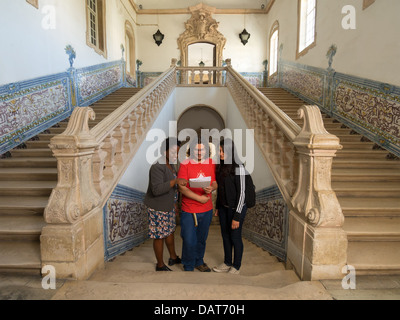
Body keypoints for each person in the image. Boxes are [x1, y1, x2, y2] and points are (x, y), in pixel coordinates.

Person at [177, 137, 218, 272]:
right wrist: (198, 198)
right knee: (189, 239)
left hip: (206, 209)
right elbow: (182, 186)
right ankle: (188, 264)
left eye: (202, 149)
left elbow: (214, 182)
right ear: (191, 149)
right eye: (196, 149)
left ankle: (199, 261)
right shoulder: (185, 164)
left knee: (201, 239)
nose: (199, 152)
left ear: (206, 150)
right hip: (189, 209)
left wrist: (212, 188)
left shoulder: (211, 163)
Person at [144, 138, 183, 271]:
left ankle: (173, 257)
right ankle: (160, 265)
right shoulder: (157, 166)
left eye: (177, 152)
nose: (175, 155)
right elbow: (157, 189)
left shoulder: (170, 165)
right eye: (173, 152)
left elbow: (171, 189)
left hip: (169, 206)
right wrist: (175, 181)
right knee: (159, 236)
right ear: (164, 150)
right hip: (158, 208)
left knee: (170, 232)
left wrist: (175, 204)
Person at [213, 138, 248, 275]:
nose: (220, 153)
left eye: (222, 151)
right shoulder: (220, 167)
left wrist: (237, 216)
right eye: (219, 150)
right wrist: (217, 206)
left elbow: (242, 193)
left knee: (235, 237)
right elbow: (220, 189)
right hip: (223, 208)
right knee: (225, 236)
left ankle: (236, 266)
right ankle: (227, 262)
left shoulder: (239, 167)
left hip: (236, 209)